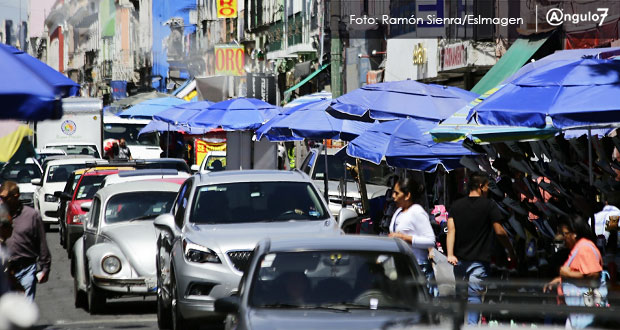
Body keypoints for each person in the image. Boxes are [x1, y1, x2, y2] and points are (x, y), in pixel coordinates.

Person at [446, 171, 516, 325]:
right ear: (480, 186)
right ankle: (471, 326)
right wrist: (510, 250)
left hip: (458, 260)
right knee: (474, 297)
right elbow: (500, 232)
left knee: (460, 295)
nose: (488, 190)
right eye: (487, 186)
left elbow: (451, 230)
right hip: (479, 261)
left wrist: (450, 254)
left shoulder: (456, 206)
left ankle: (457, 326)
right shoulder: (489, 206)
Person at [543, 215, 605, 328]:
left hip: (585, 313)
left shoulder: (585, 248)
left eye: (564, 234)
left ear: (575, 233)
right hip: (577, 313)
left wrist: (568, 274)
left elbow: (594, 274)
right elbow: (581, 273)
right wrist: (560, 280)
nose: (562, 238)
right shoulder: (578, 248)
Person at [387, 173, 437, 296]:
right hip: (402, 265)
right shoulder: (398, 212)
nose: (393, 196)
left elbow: (430, 241)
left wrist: (404, 238)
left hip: (417, 266)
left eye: (397, 193)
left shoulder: (417, 212)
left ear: (407, 195)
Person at [0, 181, 51, 301]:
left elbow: (41, 242)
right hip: (4, 270)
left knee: (25, 307)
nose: (2, 201)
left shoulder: (31, 215)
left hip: (26, 267)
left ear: (16, 196)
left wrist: (45, 267)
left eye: (4, 197)